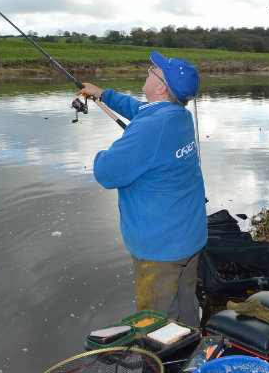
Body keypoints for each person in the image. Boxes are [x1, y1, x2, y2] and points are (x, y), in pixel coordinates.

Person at [79, 51, 206, 324]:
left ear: (160, 87)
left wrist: (106, 152)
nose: (148, 71)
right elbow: (139, 110)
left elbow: (106, 173)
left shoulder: (150, 129)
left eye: (153, 71)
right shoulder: (177, 115)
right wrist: (102, 94)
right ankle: (191, 356)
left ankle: (163, 364)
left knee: (156, 323)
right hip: (189, 237)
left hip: (160, 249)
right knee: (186, 306)